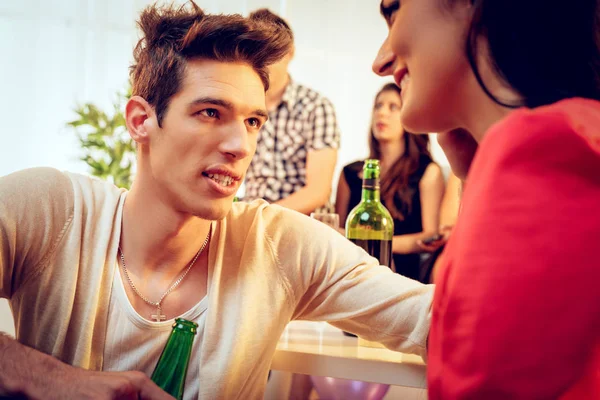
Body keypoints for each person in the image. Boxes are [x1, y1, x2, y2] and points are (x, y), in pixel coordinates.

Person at [0, 3, 433, 399]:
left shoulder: (279, 245)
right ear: (141, 121)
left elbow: (432, 318)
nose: (241, 145)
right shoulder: (53, 210)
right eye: (211, 113)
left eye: (252, 121)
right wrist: (52, 379)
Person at [373, 0, 600, 398]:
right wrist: (472, 175)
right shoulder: (570, 136)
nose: (381, 59)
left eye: (394, 10)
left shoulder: (547, 154)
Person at [335, 82, 445, 281]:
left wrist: (377, 244)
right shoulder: (350, 173)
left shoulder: (428, 172)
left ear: (410, 114)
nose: (382, 113)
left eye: (393, 107)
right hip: (353, 269)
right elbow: (338, 230)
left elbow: (430, 236)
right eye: (378, 106)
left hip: (402, 273)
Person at [243, 9, 340, 215]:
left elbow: (318, 192)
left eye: (271, 52)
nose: (261, 60)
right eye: (254, 51)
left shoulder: (315, 107)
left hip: (303, 225)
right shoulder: (241, 107)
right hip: (253, 220)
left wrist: (260, 215)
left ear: (290, 53)